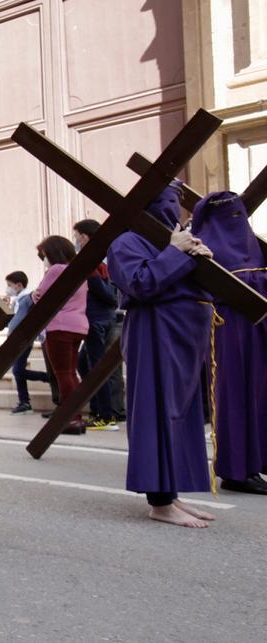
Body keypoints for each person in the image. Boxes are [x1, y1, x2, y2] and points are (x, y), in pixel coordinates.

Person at [107, 181, 217, 528]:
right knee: (156, 410)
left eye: (176, 200)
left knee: (181, 414)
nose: (173, 207)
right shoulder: (126, 242)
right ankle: (159, 502)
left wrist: (202, 259)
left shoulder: (178, 238)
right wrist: (174, 252)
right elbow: (140, 283)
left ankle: (172, 493)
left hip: (185, 337)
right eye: (166, 198)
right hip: (154, 332)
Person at [191, 191, 267, 495]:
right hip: (225, 333)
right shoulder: (202, 247)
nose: (235, 223)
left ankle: (258, 461)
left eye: (239, 215)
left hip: (258, 332)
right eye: (228, 216)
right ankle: (236, 470)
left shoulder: (255, 246)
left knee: (260, 397)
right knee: (234, 398)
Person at [32, 236, 93, 434]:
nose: (43, 260)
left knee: (62, 374)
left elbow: (40, 297)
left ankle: (71, 418)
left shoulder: (56, 270)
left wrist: (34, 294)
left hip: (59, 325)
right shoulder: (78, 272)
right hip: (78, 326)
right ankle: (77, 416)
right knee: (70, 372)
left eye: (44, 255)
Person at [72, 219, 120, 428]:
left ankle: (106, 416)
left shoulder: (95, 263)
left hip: (97, 320)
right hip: (100, 318)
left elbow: (109, 295)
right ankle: (98, 409)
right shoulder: (98, 261)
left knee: (97, 367)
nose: (76, 241)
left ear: (85, 237)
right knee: (84, 364)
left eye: (78, 237)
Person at [4, 270, 54, 415]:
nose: (7, 288)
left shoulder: (28, 297)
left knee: (18, 370)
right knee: (17, 370)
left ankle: (48, 378)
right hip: (17, 339)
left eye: (9, 285)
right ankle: (24, 401)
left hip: (24, 339)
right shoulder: (18, 299)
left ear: (18, 285)